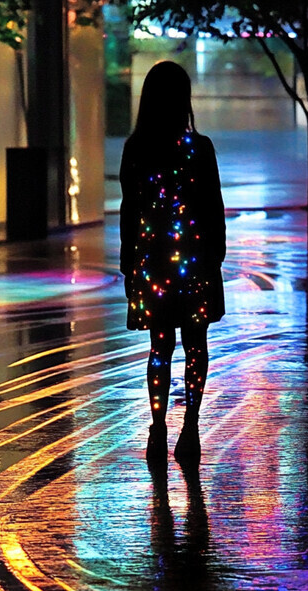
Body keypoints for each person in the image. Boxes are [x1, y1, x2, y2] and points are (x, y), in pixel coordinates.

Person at [119, 60, 226, 464]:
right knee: (195, 346)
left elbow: (131, 213)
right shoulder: (199, 149)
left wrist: (130, 265)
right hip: (195, 263)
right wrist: (214, 258)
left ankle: (158, 427)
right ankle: (191, 427)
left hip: (154, 264)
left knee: (159, 346)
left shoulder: (137, 149)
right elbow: (213, 211)